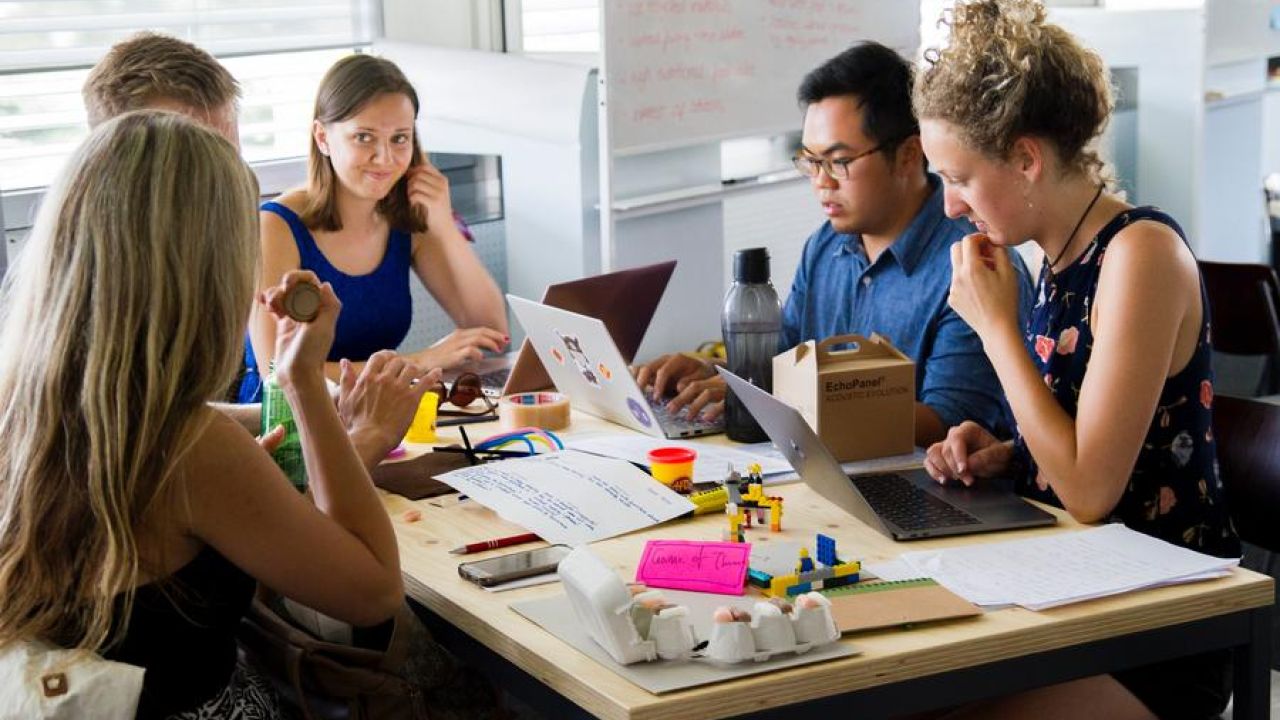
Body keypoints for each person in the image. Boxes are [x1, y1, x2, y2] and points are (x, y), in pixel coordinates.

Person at [0, 110, 419, 718]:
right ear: (201, 268)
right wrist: (306, 385)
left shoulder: (28, 402)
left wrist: (278, 399)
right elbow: (374, 590)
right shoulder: (190, 451)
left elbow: (205, 419)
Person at [914, 1, 1239, 717]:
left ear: (1027, 159)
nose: (950, 207)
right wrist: (1006, 452)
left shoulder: (1139, 255)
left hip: (1155, 635)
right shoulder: (1056, 258)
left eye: (960, 177)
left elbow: (1091, 490)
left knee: (925, 698)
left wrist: (998, 331)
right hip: (1078, 590)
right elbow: (1088, 437)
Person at [635, 42, 1030, 447]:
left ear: (909, 154)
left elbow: (951, 421)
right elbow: (785, 365)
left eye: (838, 161)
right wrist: (714, 373)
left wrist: (781, 400)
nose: (821, 181)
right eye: (811, 161)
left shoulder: (973, 267)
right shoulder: (825, 246)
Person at [82, 33, 426, 467]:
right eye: (197, 160)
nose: (228, 182)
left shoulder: (189, 255)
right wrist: (370, 436)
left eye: (230, 155)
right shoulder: (97, 294)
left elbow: (179, 423)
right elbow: (157, 455)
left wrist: (322, 407)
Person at [241, 53, 509, 403]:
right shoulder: (275, 226)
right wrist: (418, 362)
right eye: (364, 137)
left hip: (372, 415)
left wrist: (443, 226)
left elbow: (492, 333)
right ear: (322, 137)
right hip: (286, 428)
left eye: (399, 138)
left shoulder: (406, 219)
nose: (385, 158)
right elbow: (279, 373)